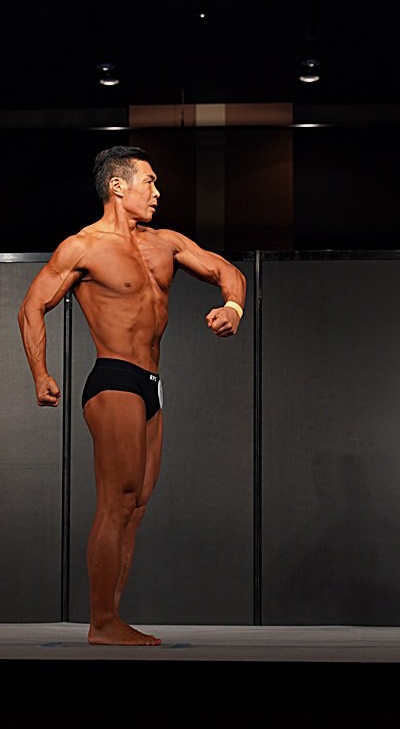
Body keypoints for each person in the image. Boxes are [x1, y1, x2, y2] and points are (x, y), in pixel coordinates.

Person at [18, 145, 246, 646]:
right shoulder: (83, 247)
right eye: (150, 181)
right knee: (116, 501)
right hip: (114, 377)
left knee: (137, 505)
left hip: (151, 384)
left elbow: (228, 272)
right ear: (118, 187)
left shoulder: (166, 243)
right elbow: (32, 306)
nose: (158, 192)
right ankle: (101, 623)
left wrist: (233, 307)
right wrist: (40, 373)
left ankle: (113, 618)